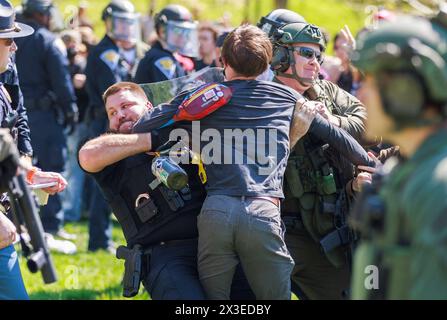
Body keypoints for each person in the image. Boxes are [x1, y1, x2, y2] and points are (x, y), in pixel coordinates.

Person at [132, 24, 376, 300]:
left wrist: (187, 107)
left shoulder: (209, 95)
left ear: (223, 61)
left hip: (216, 212)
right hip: (265, 211)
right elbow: (342, 139)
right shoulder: (287, 97)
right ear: (268, 61)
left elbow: (142, 125)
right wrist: (374, 166)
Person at [78, 82, 254, 300]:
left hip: (217, 242)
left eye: (126, 106)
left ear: (149, 106)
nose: (120, 115)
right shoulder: (113, 156)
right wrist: (154, 139)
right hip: (164, 255)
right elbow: (87, 155)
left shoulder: (184, 132)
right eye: (112, 112)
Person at [350, 8, 447, 299]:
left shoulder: (437, 184)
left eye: (372, 82)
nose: (361, 94)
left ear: (408, 89)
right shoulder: (403, 171)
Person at [269, 20, 369, 299]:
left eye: (318, 55)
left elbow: (366, 123)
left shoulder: (328, 92)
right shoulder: (265, 98)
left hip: (333, 221)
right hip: (289, 228)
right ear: (281, 56)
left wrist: (331, 121)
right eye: (306, 53)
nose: (316, 62)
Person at [0, 0, 66, 299]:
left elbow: (18, 115)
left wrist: (26, 168)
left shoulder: (6, 69)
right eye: (7, 40)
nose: (14, 48)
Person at [14, 0, 78, 243]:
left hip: (16, 116)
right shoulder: (48, 41)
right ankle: (51, 226)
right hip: (44, 117)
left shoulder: (13, 37)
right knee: (53, 170)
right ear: (43, 14)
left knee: (20, 170)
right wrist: (70, 110)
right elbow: (61, 80)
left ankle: (20, 225)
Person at [84, 0, 141, 253]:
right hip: (105, 120)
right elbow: (114, 90)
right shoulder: (104, 51)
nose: (125, 28)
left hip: (116, 119)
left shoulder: (125, 50)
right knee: (104, 182)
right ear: (108, 23)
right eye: (120, 22)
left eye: (128, 23)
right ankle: (98, 239)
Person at [134, 4, 198, 84]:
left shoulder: (166, 55)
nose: (183, 36)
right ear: (162, 31)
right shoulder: (160, 58)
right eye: (177, 30)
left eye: (186, 31)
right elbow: (172, 93)